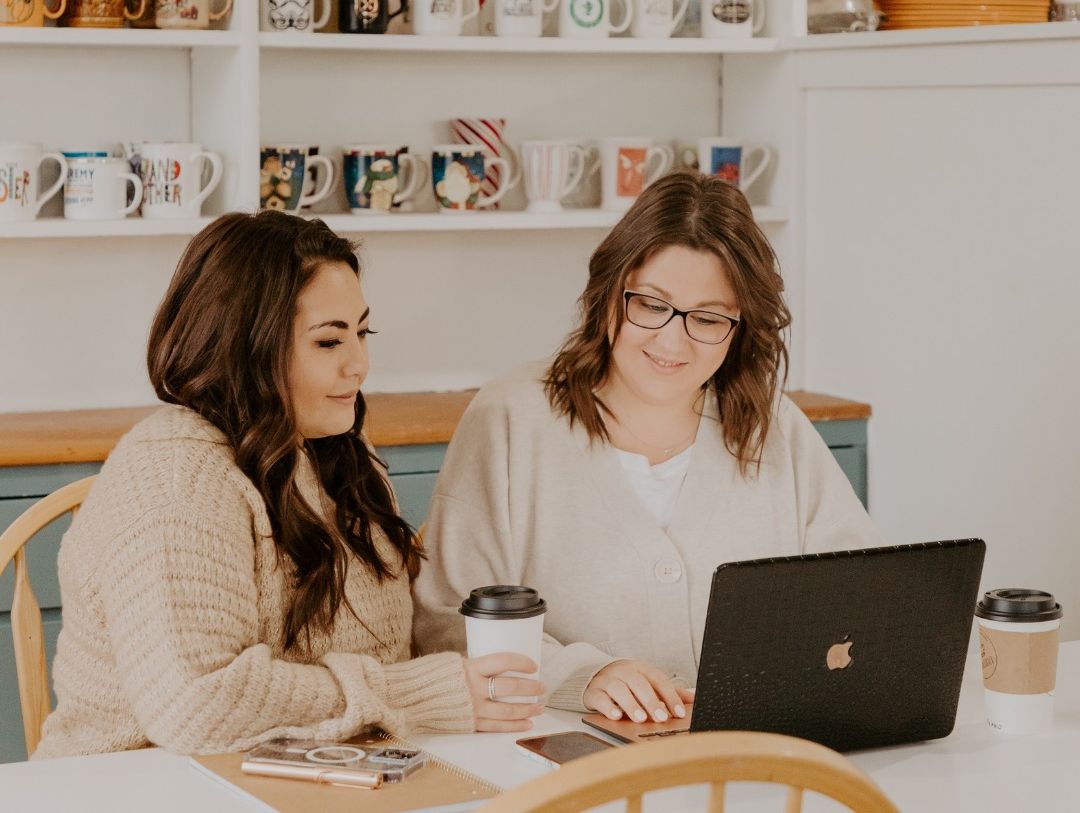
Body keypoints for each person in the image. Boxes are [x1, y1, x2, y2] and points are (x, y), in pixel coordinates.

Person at [34, 211, 542, 760]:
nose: (360, 364)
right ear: (245, 347)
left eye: (362, 332)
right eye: (328, 342)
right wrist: (421, 695)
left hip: (307, 771)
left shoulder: (337, 452)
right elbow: (199, 704)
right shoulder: (179, 480)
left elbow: (396, 645)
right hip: (130, 787)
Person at [413, 172, 886, 727]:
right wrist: (583, 675)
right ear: (610, 291)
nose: (671, 340)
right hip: (559, 754)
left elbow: (867, 600)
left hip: (753, 753)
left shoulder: (776, 427)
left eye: (708, 318)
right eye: (651, 304)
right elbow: (444, 621)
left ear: (741, 327)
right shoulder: (510, 418)